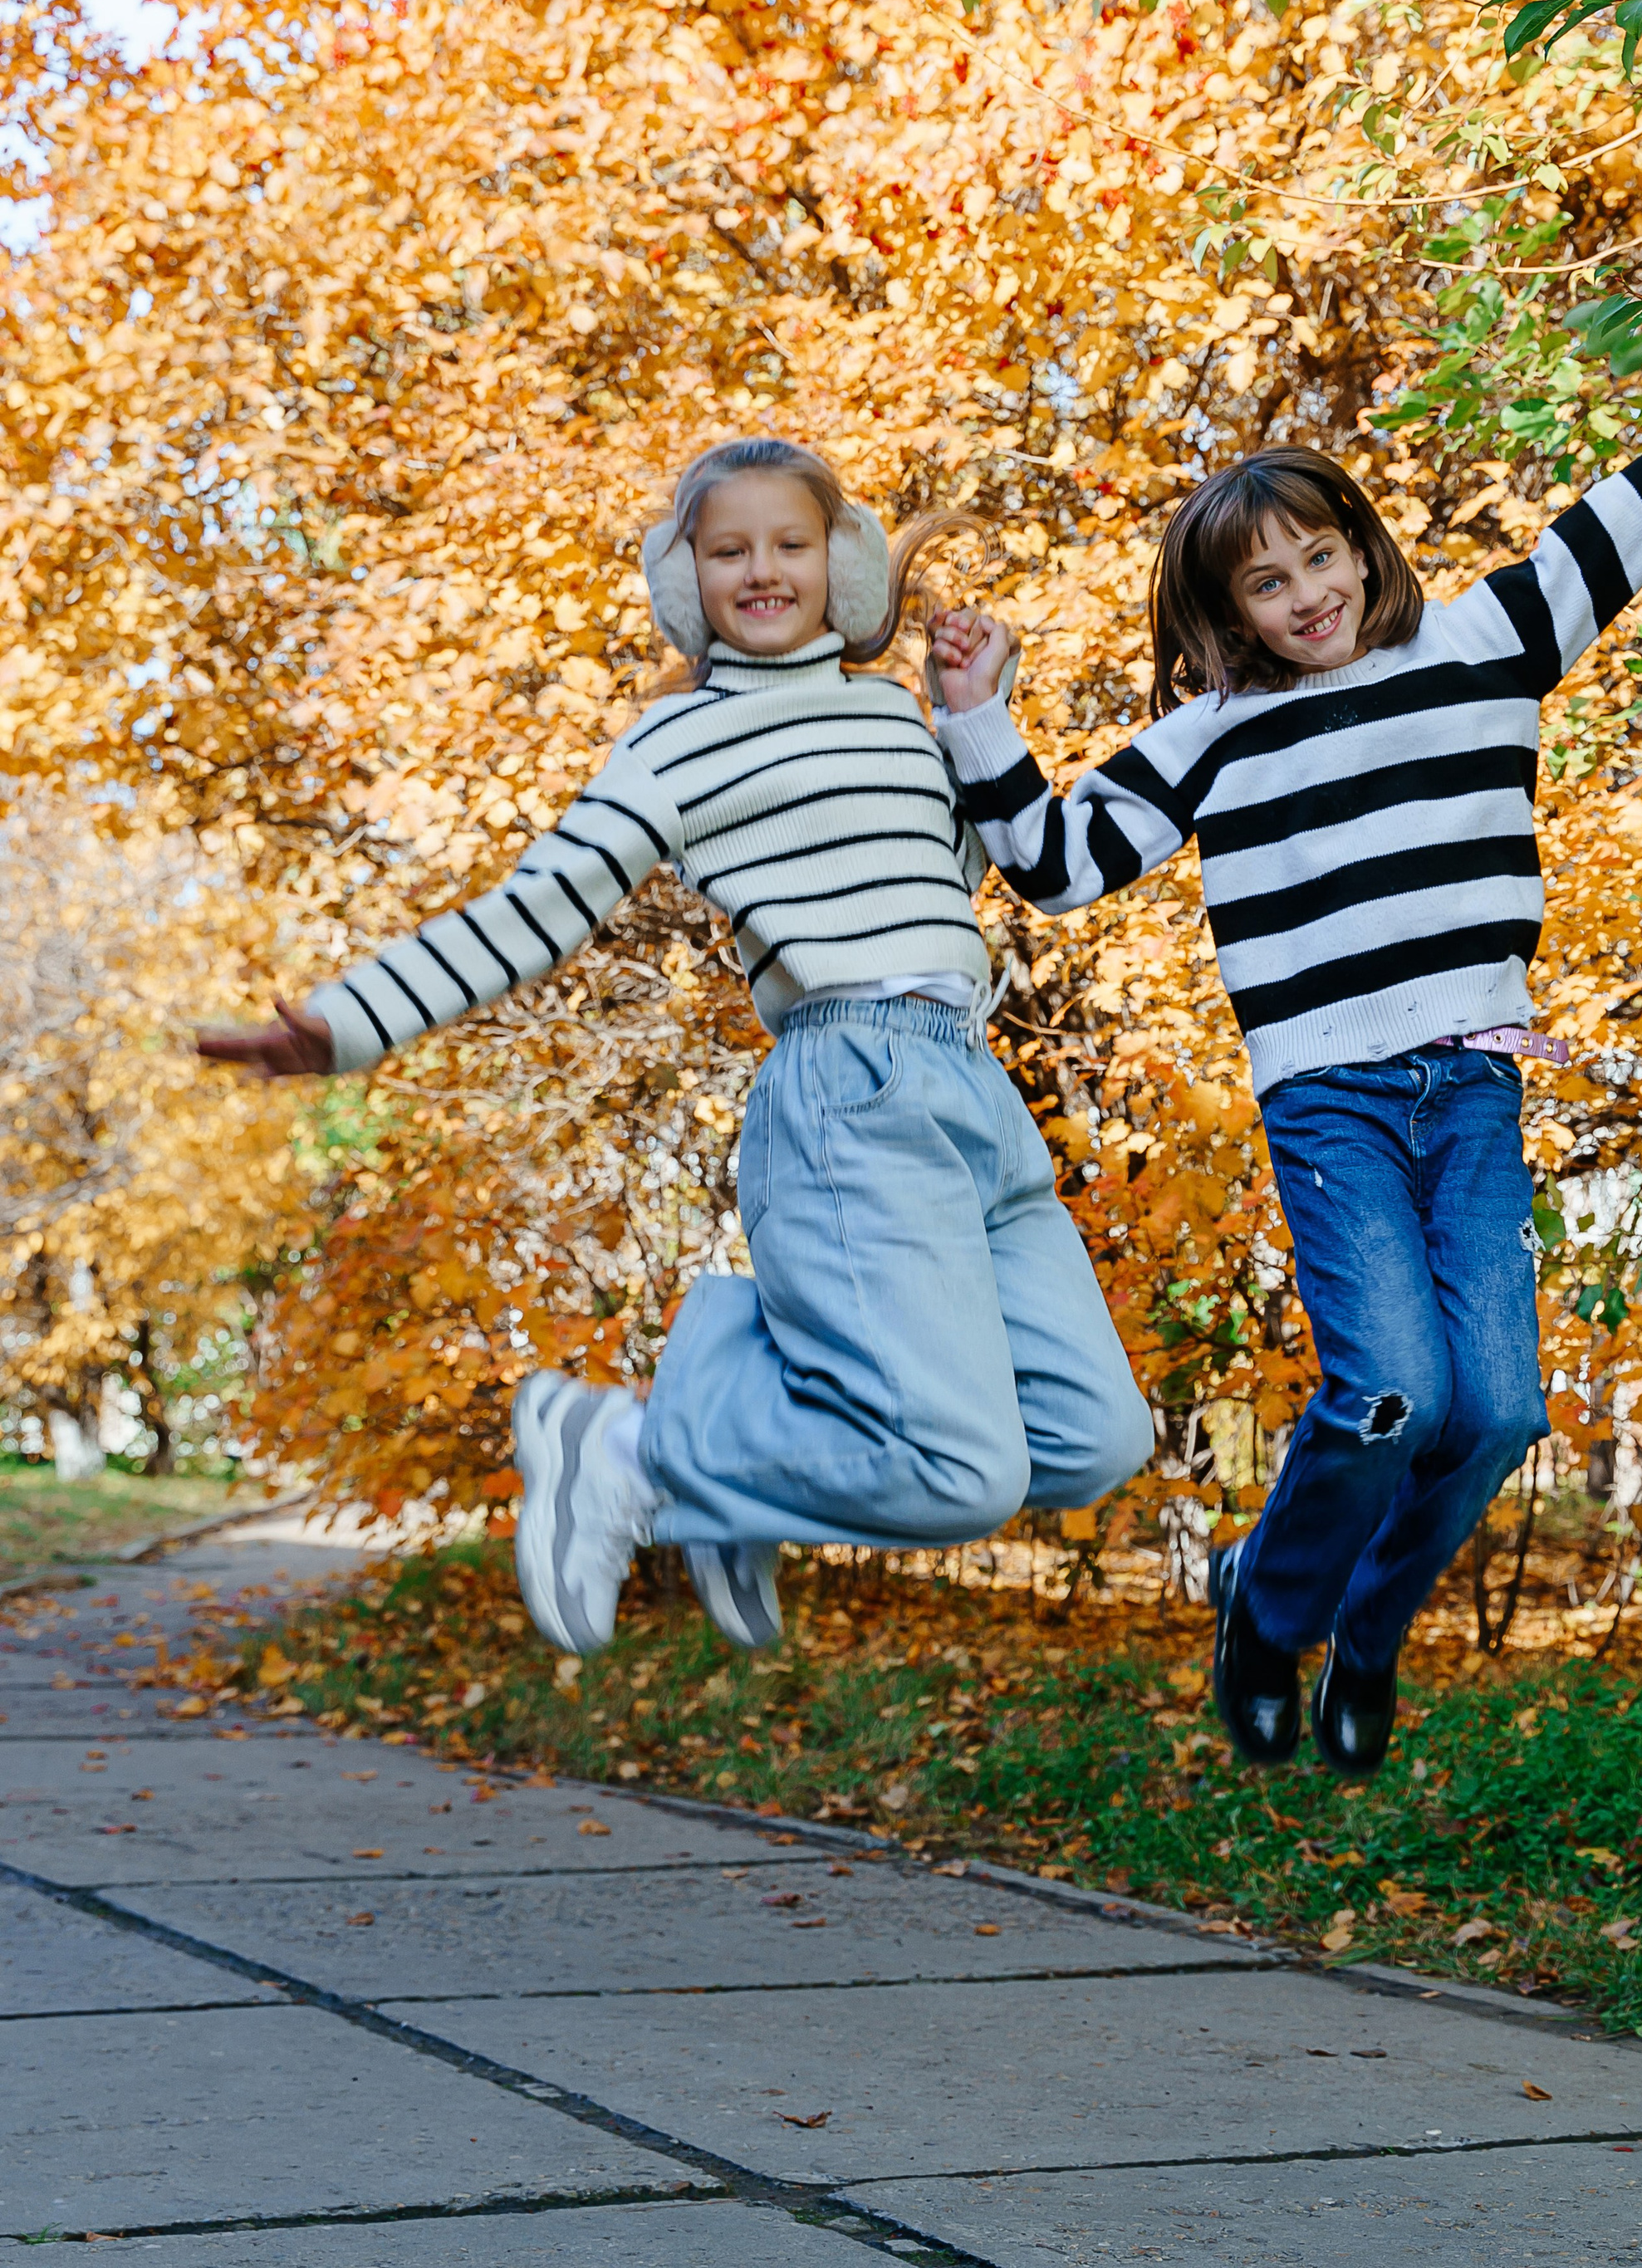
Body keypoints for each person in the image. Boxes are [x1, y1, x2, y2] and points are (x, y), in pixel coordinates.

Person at [929, 330, 1642, 1777]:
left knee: (1500, 1410)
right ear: (1227, 614)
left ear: (1363, 543)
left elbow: (1637, 508)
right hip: (1327, 1096)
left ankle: (1374, 1627)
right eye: (1264, 586)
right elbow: (1053, 864)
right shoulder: (1213, 737)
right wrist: (978, 716)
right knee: (1390, 1390)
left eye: (1320, 559)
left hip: (1470, 1078)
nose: (1306, 599)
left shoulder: (1484, 643)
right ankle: (1263, 1613)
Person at [200, 438, 1150, 1659]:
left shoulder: (892, 717)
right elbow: (533, 908)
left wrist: (977, 721)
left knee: (1094, 1439)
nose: (764, 569)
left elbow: (945, 884)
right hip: (846, 1088)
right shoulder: (676, 745)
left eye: (791, 544)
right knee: (960, 1480)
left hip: (970, 1084)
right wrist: (349, 1021)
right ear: (683, 577)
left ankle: (724, 1448)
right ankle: (629, 1447)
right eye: (729, 549)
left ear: (839, 561)